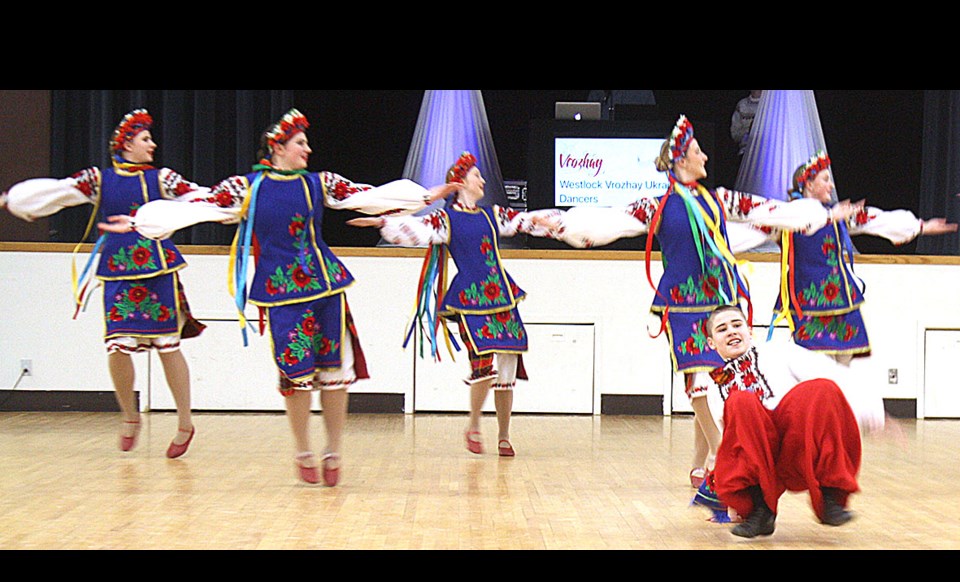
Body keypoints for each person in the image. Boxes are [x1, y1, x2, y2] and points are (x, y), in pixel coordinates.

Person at [125, 108, 453, 486]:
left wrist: (426, 195)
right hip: (282, 294)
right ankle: (302, 449)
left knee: (335, 370)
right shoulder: (247, 187)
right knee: (294, 373)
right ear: (277, 146)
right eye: (300, 143)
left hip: (326, 285)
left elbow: (366, 194)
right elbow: (202, 207)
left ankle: (333, 449)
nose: (308, 149)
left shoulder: (319, 183)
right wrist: (140, 222)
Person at [533, 116, 847, 488]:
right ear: (682, 160)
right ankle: (722, 449)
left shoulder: (718, 200)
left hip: (719, 299)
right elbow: (613, 221)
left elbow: (761, 210)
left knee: (723, 378)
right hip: (681, 304)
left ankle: (702, 460)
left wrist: (808, 214)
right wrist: (564, 224)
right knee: (698, 376)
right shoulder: (659, 205)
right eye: (698, 151)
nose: (706, 157)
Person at [0, 108, 207, 457]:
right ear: (126, 144)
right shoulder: (100, 180)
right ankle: (129, 416)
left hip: (158, 270)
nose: (152, 144)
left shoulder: (163, 178)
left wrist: (235, 202)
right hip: (118, 272)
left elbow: (198, 197)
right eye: (145, 139)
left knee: (169, 346)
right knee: (117, 346)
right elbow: (61, 192)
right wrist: (18, 200)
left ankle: (185, 422)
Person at [348, 152, 561, 458]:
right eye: (477, 175)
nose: (483, 180)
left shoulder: (491, 214)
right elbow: (416, 229)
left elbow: (521, 221)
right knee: (483, 363)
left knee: (507, 366)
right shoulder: (446, 219)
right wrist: (383, 221)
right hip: (472, 297)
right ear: (460, 182)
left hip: (501, 292)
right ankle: (473, 425)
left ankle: (503, 435)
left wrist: (546, 219)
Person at [728, 150, 958, 362]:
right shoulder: (788, 219)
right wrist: (716, 241)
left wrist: (921, 226)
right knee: (815, 366)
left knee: (845, 363)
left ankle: (840, 405)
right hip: (808, 303)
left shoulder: (838, 215)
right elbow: (751, 230)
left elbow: (875, 219)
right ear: (808, 183)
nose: (831, 185)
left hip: (840, 300)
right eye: (825, 179)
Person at [703, 303, 889, 538]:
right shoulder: (714, 389)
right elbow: (732, 442)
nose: (731, 331)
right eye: (722, 329)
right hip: (761, 462)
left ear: (750, 331)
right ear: (711, 343)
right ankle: (761, 511)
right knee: (740, 402)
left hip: (798, 448)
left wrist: (873, 413)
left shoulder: (779, 352)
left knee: (820, 389)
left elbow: (832, 373)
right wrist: (738, 499)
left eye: (737, 325)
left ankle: (830, 496)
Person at [730, 90, 762, 156]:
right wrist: (748, 132)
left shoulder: (769, 105)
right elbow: (734, 133)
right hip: (745, 152)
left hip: (763, 152)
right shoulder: (742, 105)